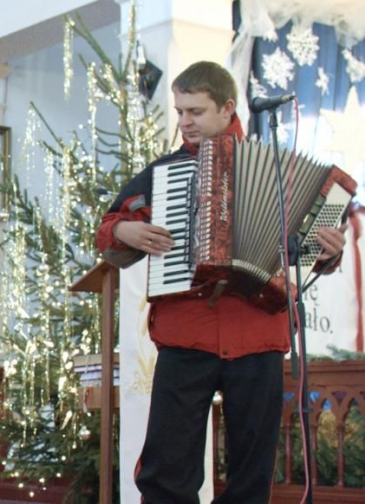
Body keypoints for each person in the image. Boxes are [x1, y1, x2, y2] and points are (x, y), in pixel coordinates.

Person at [96, 61, 347, 503]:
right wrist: (122, 231)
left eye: (195, 111)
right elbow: (108, 228)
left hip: (258, 334)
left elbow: (308, 257)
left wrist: (329, 251)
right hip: (186, 335)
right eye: (179, 111)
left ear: (227, 107)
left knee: (252, 475)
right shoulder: (166, 173)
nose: (184, 123)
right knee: (166, 472)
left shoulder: (277, 168)